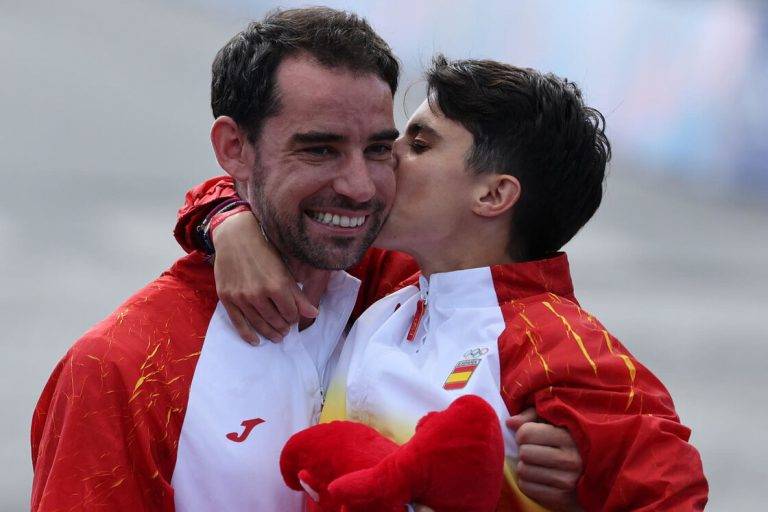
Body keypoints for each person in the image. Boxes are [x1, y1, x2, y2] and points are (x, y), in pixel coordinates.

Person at [31, 8, 580, 511]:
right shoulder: (120, 368)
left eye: (378, 149)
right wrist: (224, 216)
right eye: (319, 149)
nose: (360, 187)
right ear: (234, 149)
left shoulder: (406, 283)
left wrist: (581, 479)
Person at [177, 57, 710, 510]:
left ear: (493, 195)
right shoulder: (386, 284)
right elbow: (275, 196)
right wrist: (227, 222)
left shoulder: (558, 348)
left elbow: (672, 496)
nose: (388, 155)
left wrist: (588, 495)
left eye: (419, 143)